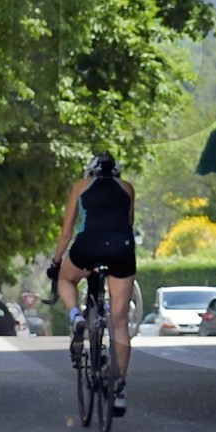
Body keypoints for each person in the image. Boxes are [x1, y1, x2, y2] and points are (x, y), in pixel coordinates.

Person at [54, 154, 138, 413]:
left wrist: (56, 260)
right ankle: (120, 389)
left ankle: (76, 315)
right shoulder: (127, 188)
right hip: (121, 248)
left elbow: (67, 231)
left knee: (65, 279)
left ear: (91, 172)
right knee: (120, 321)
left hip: (87, 246)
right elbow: (128, 223)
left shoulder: (80, 186)